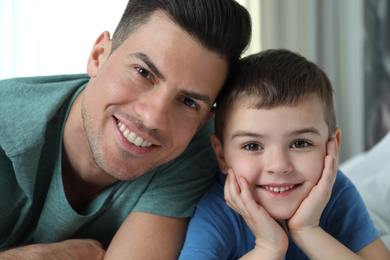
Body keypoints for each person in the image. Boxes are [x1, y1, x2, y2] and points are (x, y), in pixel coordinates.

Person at [0, 0, 251, 259]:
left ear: (202, 120)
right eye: (143, 73)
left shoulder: (197, 148)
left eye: (188, 102)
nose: (153, 118)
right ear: (99, 56)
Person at [179, 49, 390, 259]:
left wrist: (308, 231)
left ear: (331, 147)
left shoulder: (336, 193)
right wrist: (268, 247)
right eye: (252, 146)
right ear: (222, 156)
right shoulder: (216, 211)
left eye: (300, 143)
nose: (279, 165)